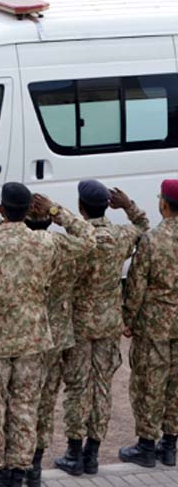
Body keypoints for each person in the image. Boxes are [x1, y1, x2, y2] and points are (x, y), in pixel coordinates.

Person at [0, 183, 96, 487]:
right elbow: (89, 239)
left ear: (1, 209)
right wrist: (55, 211)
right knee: (26, 407)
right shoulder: (46, 242)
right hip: (33, 340)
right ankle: (19, 471)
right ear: (29, 211)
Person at [56, 181, 149, 477]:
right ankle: (93, 453)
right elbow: (143, 225)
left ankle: (74, 451)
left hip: (80, 324)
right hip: (109, 323)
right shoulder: (121, 236)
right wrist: (128, 204)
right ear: (107, 205)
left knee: (77, 387)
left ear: (81, 207)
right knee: (102, 388)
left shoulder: (77, 240)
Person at [120, 179, 178, 468]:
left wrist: (128, 319)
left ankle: (146, 445)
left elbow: (136, 286)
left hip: (154, 325)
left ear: (164, 204)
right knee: (175, 385)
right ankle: (170, 446)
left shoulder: (152, 240)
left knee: (148, 384)